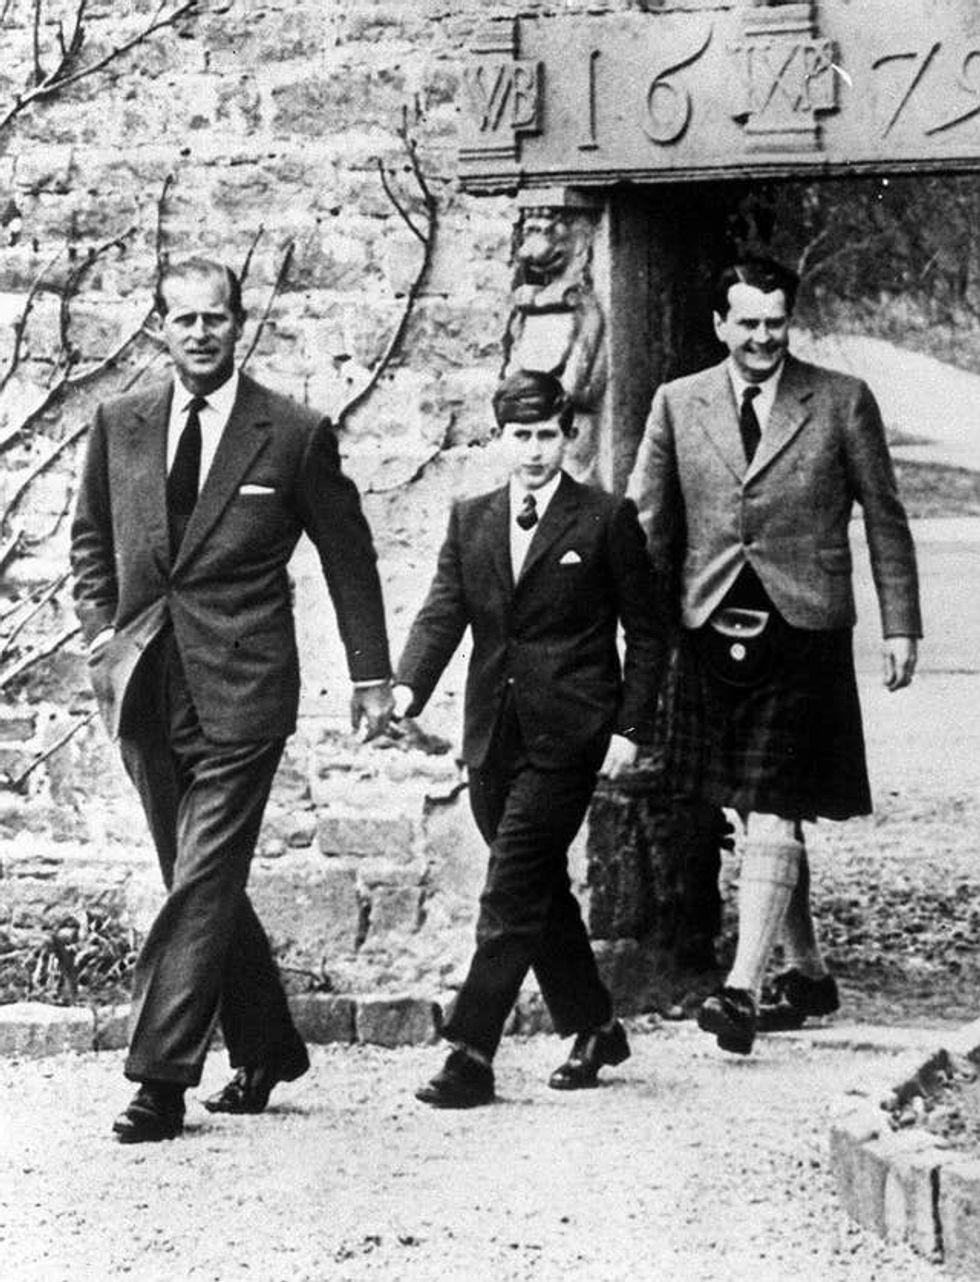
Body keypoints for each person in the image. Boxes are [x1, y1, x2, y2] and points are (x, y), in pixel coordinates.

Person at [70, 257, 393, 1142]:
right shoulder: (120, 421)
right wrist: (103, 634)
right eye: (184, 319)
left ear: (239, 324)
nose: (201, 333)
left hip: (245, 687)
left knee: (205, 875)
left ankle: (159, 1080)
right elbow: (91, 540)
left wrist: (371, 676)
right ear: (160, 328)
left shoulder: (290, 431)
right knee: (196, 879)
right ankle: (269, 1043)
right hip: (145, 686)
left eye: (217, 318)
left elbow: (348, 556)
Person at [626, 255, 921, 1054]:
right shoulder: (676, 403)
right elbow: (643, 523)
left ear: (790, 321)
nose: (762, 338)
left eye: (775, 322)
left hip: (805, 627)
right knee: (754, 804)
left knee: (773, 798)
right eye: (747, 323)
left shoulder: (840, 401)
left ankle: (741, 990)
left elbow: (885, 517)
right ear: (720, 325)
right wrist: (631, 630)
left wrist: (902, 624)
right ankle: (808, 971)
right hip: (709, 623)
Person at [394, 368, 667, 1107]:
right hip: (491, 734)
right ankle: (595, 1024)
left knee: (511, 886)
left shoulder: (605, 519)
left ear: (568, 435)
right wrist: (406, 687)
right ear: (499, 437)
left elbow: (646, 633)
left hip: (569, 734)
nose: (536, 450)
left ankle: (469, 1052)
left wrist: (630, 728)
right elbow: (442, 612)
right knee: (539, 888)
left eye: (548, 434)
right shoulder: (471, 517)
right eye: (521, 436)